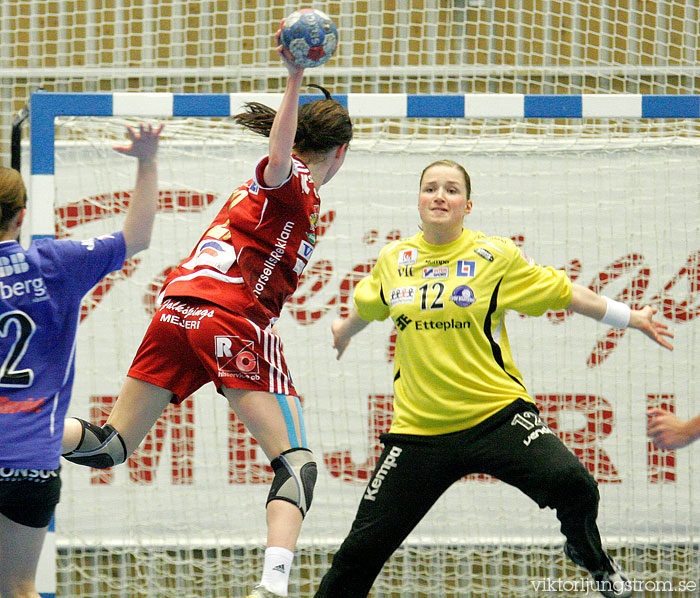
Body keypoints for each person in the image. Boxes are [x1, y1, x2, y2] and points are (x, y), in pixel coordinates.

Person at [60, 28, 352, 598]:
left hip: (176, 314)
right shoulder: (292, 182)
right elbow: (279, 157)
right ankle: (271, 588)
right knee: (297, 465)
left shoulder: (264, 193)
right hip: (229, 318)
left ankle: (17, 426)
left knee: (108, 446)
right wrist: (293, 79)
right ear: (340, 151)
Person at [314, 159, 674, 598]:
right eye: (430, 189)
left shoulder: (494, 256)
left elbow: (567, 293)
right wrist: (343, 331)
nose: (440, 196)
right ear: (419, 201)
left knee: (574, 484)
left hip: (497, 417)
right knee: (357, 555)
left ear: (468, 205)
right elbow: (369, 307)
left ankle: (590, 557)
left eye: (451, 190)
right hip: (420, 433)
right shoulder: (395, 260)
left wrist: (632, 317)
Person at [0, 123, 161, 598]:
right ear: (22, 216)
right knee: (19, 588)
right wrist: (147, 161)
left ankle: (88, 438)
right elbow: (138, 237)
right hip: (31, 463)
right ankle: (87, 439)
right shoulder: (53, 265)